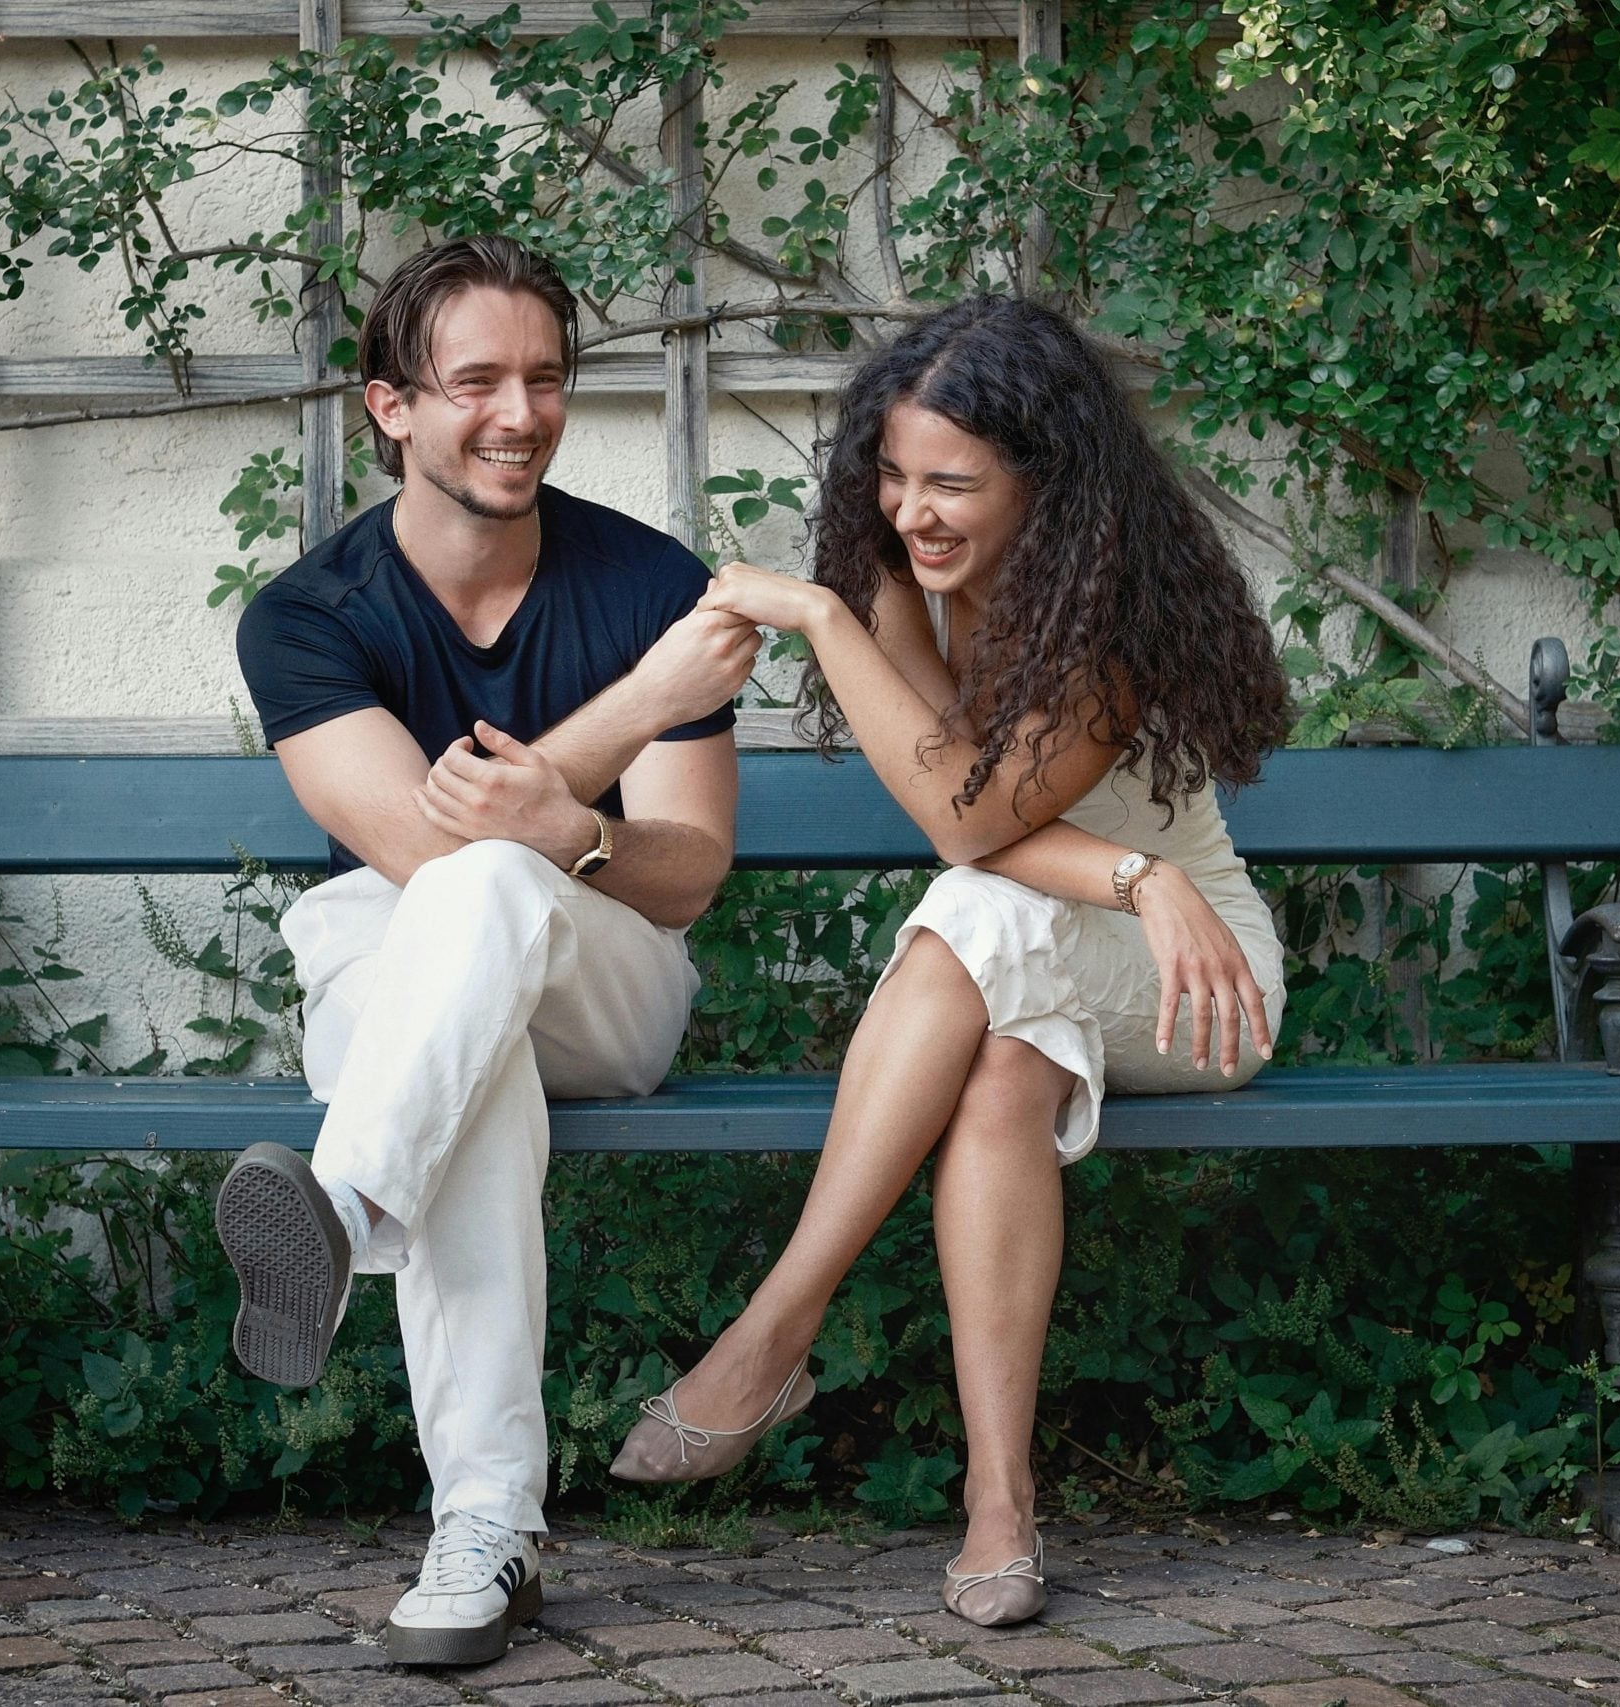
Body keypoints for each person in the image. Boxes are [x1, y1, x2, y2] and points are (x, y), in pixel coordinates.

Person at [608, 296, 1292, 1627]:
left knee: (973, 915)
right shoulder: (897, 580)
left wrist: (814, 613)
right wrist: (1126, 874)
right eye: (896, 473)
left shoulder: (1112, 625)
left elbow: (965, 823)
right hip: (1069, 939)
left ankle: (770, 1335)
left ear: (1047, 483)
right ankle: (999, 1508)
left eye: (954, 484)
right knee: (997, 1074)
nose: (913, 509)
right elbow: (973, 823)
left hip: (1200, 980)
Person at [224, 236, 761, 1666]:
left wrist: (574, 838)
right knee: (466, 1056)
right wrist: (635, 707)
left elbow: (689, 872)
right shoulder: (306, 618)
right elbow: (422, 850)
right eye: (476, 382)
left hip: (606, 965)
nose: (518, 413)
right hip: (394, 968)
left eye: (544, 377)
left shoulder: (644, 578)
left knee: (490, 911)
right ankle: (487, 1532)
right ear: (389, 405)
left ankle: (343, 1208)